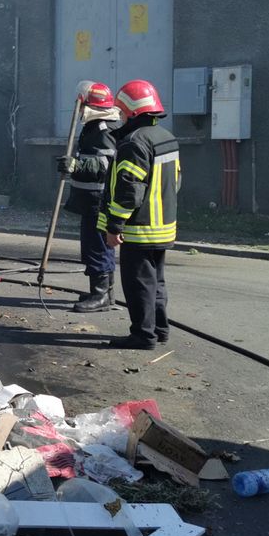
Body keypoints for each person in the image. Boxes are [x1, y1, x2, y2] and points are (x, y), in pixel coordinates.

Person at [98, 79, 181, 349]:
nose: (119, 117)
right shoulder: (166, 137)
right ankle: (160, 330)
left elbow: (129, 192)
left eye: (121, 112)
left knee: (138, 285)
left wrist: (114, 226)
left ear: (132, 112)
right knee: (156, 283)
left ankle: (143, 335)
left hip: (139, 229)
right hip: (163, 227)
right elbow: (176, 181)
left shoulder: (133, 143)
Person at [57, 81, 119, 312]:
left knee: (97, 246)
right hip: (91, 199)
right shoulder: (95, 128)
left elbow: (107, 164)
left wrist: (76, 165)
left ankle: (100, 295)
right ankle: (105, 293)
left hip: (98, 200)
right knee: (96, 245)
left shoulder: (104, 130)